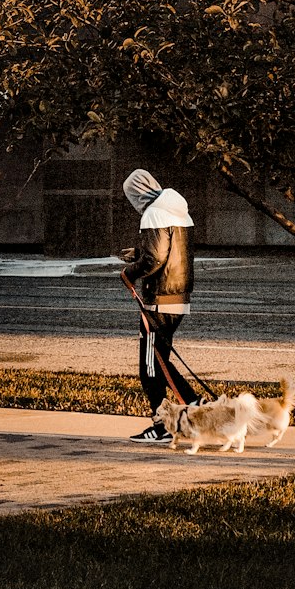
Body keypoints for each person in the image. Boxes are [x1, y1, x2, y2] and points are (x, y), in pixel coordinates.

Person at [121, 168, 197, 445]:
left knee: (149, 366)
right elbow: (168, 252)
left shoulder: (153, 213)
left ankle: (162, 425)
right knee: (161, 362)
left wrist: (129, 272)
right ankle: (193, 406)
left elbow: (154, 260)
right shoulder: (178, 210)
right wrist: (138, 254)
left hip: (158, 299)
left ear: (138, 193)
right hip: (178, 296)